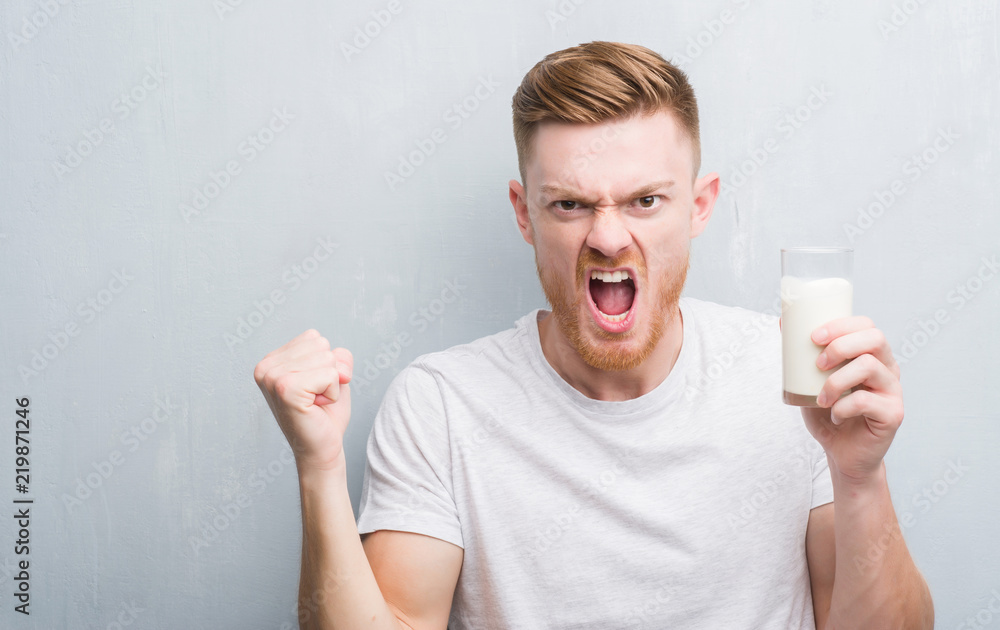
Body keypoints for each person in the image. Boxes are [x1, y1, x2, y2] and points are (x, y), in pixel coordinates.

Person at [254, 41, 934, 629]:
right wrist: (318, 468)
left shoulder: (789, 381)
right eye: (571, 204)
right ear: (525, 214)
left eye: (645, 200)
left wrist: (860, 477)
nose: (608, 238)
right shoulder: (441, 405)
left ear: (699, 206)